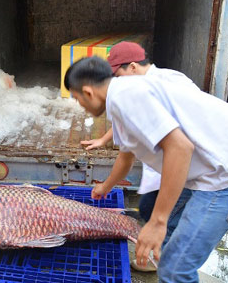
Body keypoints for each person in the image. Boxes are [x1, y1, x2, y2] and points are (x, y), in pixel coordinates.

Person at [64, 56, 228, 282]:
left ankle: (171, 267)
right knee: (164, 229)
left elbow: (179, 148)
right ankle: (162, 257)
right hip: (210, 167)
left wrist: (158, 222)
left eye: (77, 98)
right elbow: (126, 156)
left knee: (175, 269)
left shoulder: (127, 98)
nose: (80, 105)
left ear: (88, 92)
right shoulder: (122, 96)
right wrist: (106, 186)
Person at [80, 42, 195, 271]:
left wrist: (158, 222)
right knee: (147, 208)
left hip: (189, 166)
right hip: (168, 161)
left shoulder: (163, 84)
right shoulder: (139, 87)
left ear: (132, 67)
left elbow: (179, 146)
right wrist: (104, 141)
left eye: (117, 75)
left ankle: (161, 259)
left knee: (167, 220)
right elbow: (127, 141)